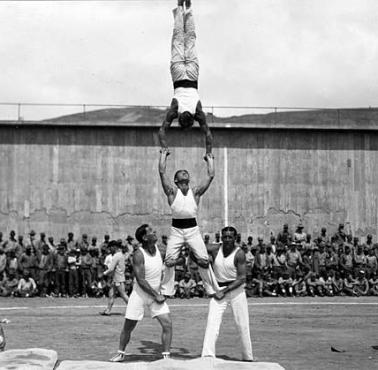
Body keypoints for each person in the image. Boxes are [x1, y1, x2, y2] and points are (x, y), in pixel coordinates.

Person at [159, 148, 218, 296]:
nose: (185, 172)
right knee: (169, 261)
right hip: (176, 230)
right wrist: (163, 156)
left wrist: (209, 160)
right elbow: (162, 172)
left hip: (192, 230)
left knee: (204, 260)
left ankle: (212, 290)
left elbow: (211, 176)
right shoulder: (172, 192)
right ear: (176, 180)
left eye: (186, 172)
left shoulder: (196, 192)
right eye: (181, 172)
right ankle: (166, 291)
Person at [109, 224, 172, 362]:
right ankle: (121, 353)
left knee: (167, 324)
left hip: (155, 293)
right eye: (151, 231)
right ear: (144, 237)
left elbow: (171, 260)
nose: (155, 231)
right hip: (140, 294)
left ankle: (166, 357)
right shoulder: (138, 254)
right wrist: (157, 295)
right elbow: (141, 280)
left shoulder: (159, 248)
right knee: (128, 326)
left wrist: (177, 260)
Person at [159, 0, 213, 155]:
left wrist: (165, 148)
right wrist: (164, 148)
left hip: (191, 75)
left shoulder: (197, 113)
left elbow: (208, 134)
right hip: (180, 75)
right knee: (180, 39)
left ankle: (187, 8)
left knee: (188, 39)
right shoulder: (177, 111)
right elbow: (162, 131)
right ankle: (182, 8)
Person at [201, 226, 253, 361]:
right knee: (212, 322)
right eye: (225, 237)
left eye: (230, 237)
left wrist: (224, 291)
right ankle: (207, 355)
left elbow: (242, 278)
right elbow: (196, 248)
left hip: (236, 290)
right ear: (221, 237)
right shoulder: (214, 249)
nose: (227, 239)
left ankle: (248, 357)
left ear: (235, 238)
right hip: (219, 290)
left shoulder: (239, 253)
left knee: (242, 324)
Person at [100, 240, 129, 316]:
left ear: (114, 247)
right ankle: (108, 310)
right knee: (111, 294)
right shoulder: (120, 255)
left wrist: (103, 273)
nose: (109, 250)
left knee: (123, 295)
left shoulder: (116, 256)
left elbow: (111, 268)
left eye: (110, 248)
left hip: (118, 279)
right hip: (116, 278)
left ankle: (134, 310)